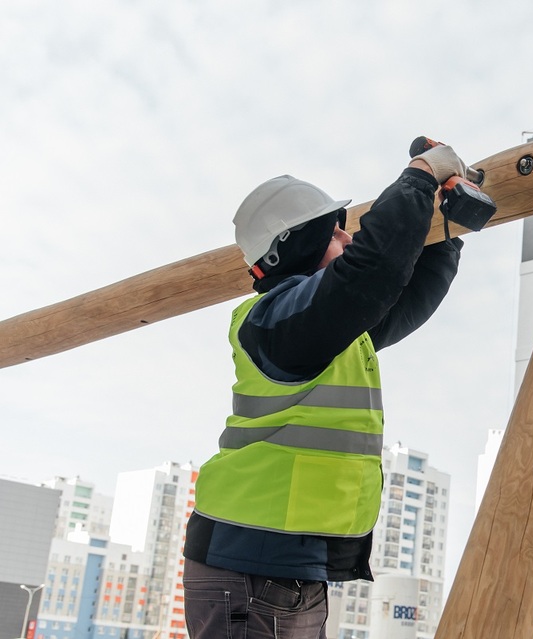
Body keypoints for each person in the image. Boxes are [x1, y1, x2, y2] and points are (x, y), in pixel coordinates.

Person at [182, 144, 470, 638]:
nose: (346, 234)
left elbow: (403, 296)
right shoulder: (275, 321)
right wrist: (419, 179)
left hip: (284, 565)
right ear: (297, 245)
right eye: (333, 229)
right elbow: (371, 271)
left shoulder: (326, 329)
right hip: (250, 564)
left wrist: (445, 233)